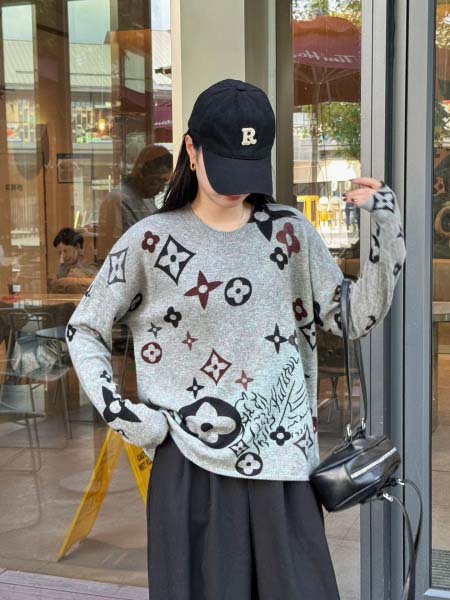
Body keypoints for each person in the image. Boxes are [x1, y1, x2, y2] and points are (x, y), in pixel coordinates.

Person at [65, 79, 406, 599]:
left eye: (248, 169)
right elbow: (84, 328)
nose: (234, 187)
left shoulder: (289, 233)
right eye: (224, 166)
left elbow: (354, 317)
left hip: (283, 465)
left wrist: (385, 225)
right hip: (190, 467)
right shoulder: (150, 242)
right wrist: (125, 415)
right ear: (192, 149)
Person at [97, 144, 172, 257]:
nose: (161, 189)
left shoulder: (147, 199)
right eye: (158, 181)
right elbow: (115, 250)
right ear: (143, 173)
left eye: (165, 183)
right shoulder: (117, 200)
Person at [49, 228, 98, 294]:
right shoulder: (64, 266)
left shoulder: (89, 265)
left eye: (66, 251)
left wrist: (72, 281)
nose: (63, 256)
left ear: (77, 247)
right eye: (60, 253)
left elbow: (98, 282)